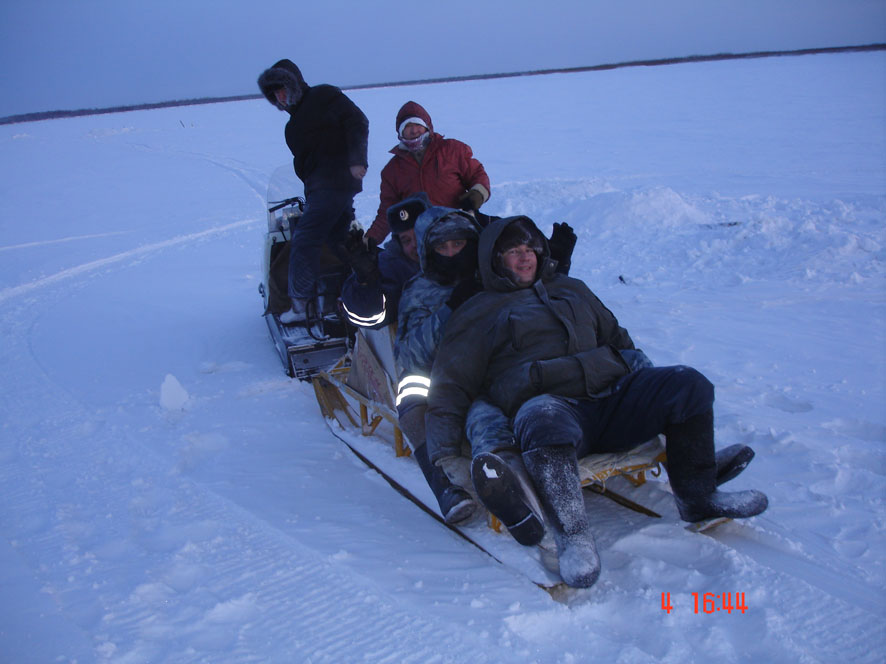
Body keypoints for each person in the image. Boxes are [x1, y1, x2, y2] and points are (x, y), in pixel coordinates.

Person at [425, 216, 768, 588]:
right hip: (552, 408)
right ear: (495, 260)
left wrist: (647, 384)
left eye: (530, 250)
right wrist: (445, 458)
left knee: (688, 384)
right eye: (513, 252)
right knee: (543, 418)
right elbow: (450, 387)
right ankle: (573, 536)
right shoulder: (478, 312)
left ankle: (699, 497)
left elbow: (618, 339)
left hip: (612, 397)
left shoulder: (572, 289)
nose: (525, 258)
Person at [258, 59, 370, 324]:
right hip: (321, 189)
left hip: (336, 182)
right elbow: (306, 165)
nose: (281, 97)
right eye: (275, 94)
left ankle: (300, 304)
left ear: (294, 84)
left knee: (305, 238)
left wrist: (357, 160)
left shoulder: (323, 96)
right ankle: (361, 287)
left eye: (283, 90)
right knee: (339, 240)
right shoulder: (292, 126)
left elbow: (357, 121)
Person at [364, 101, 491, 244]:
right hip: (420, 238)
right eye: (407, 127)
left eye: (418, 125)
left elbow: (477, 175)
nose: (414, 130)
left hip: (458, 227)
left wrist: (477, 194)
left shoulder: (452, 150)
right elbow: (387, 212)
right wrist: (370, 239)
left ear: (427, 127)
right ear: (400, 132)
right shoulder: (392, 170)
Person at [340, 193, 429, 329]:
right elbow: (366, 316)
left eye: (419, 235)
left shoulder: (453, 250)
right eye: (406, 240)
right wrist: (366, 280)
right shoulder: (390, 268)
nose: (414, 245)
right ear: (398, 242)